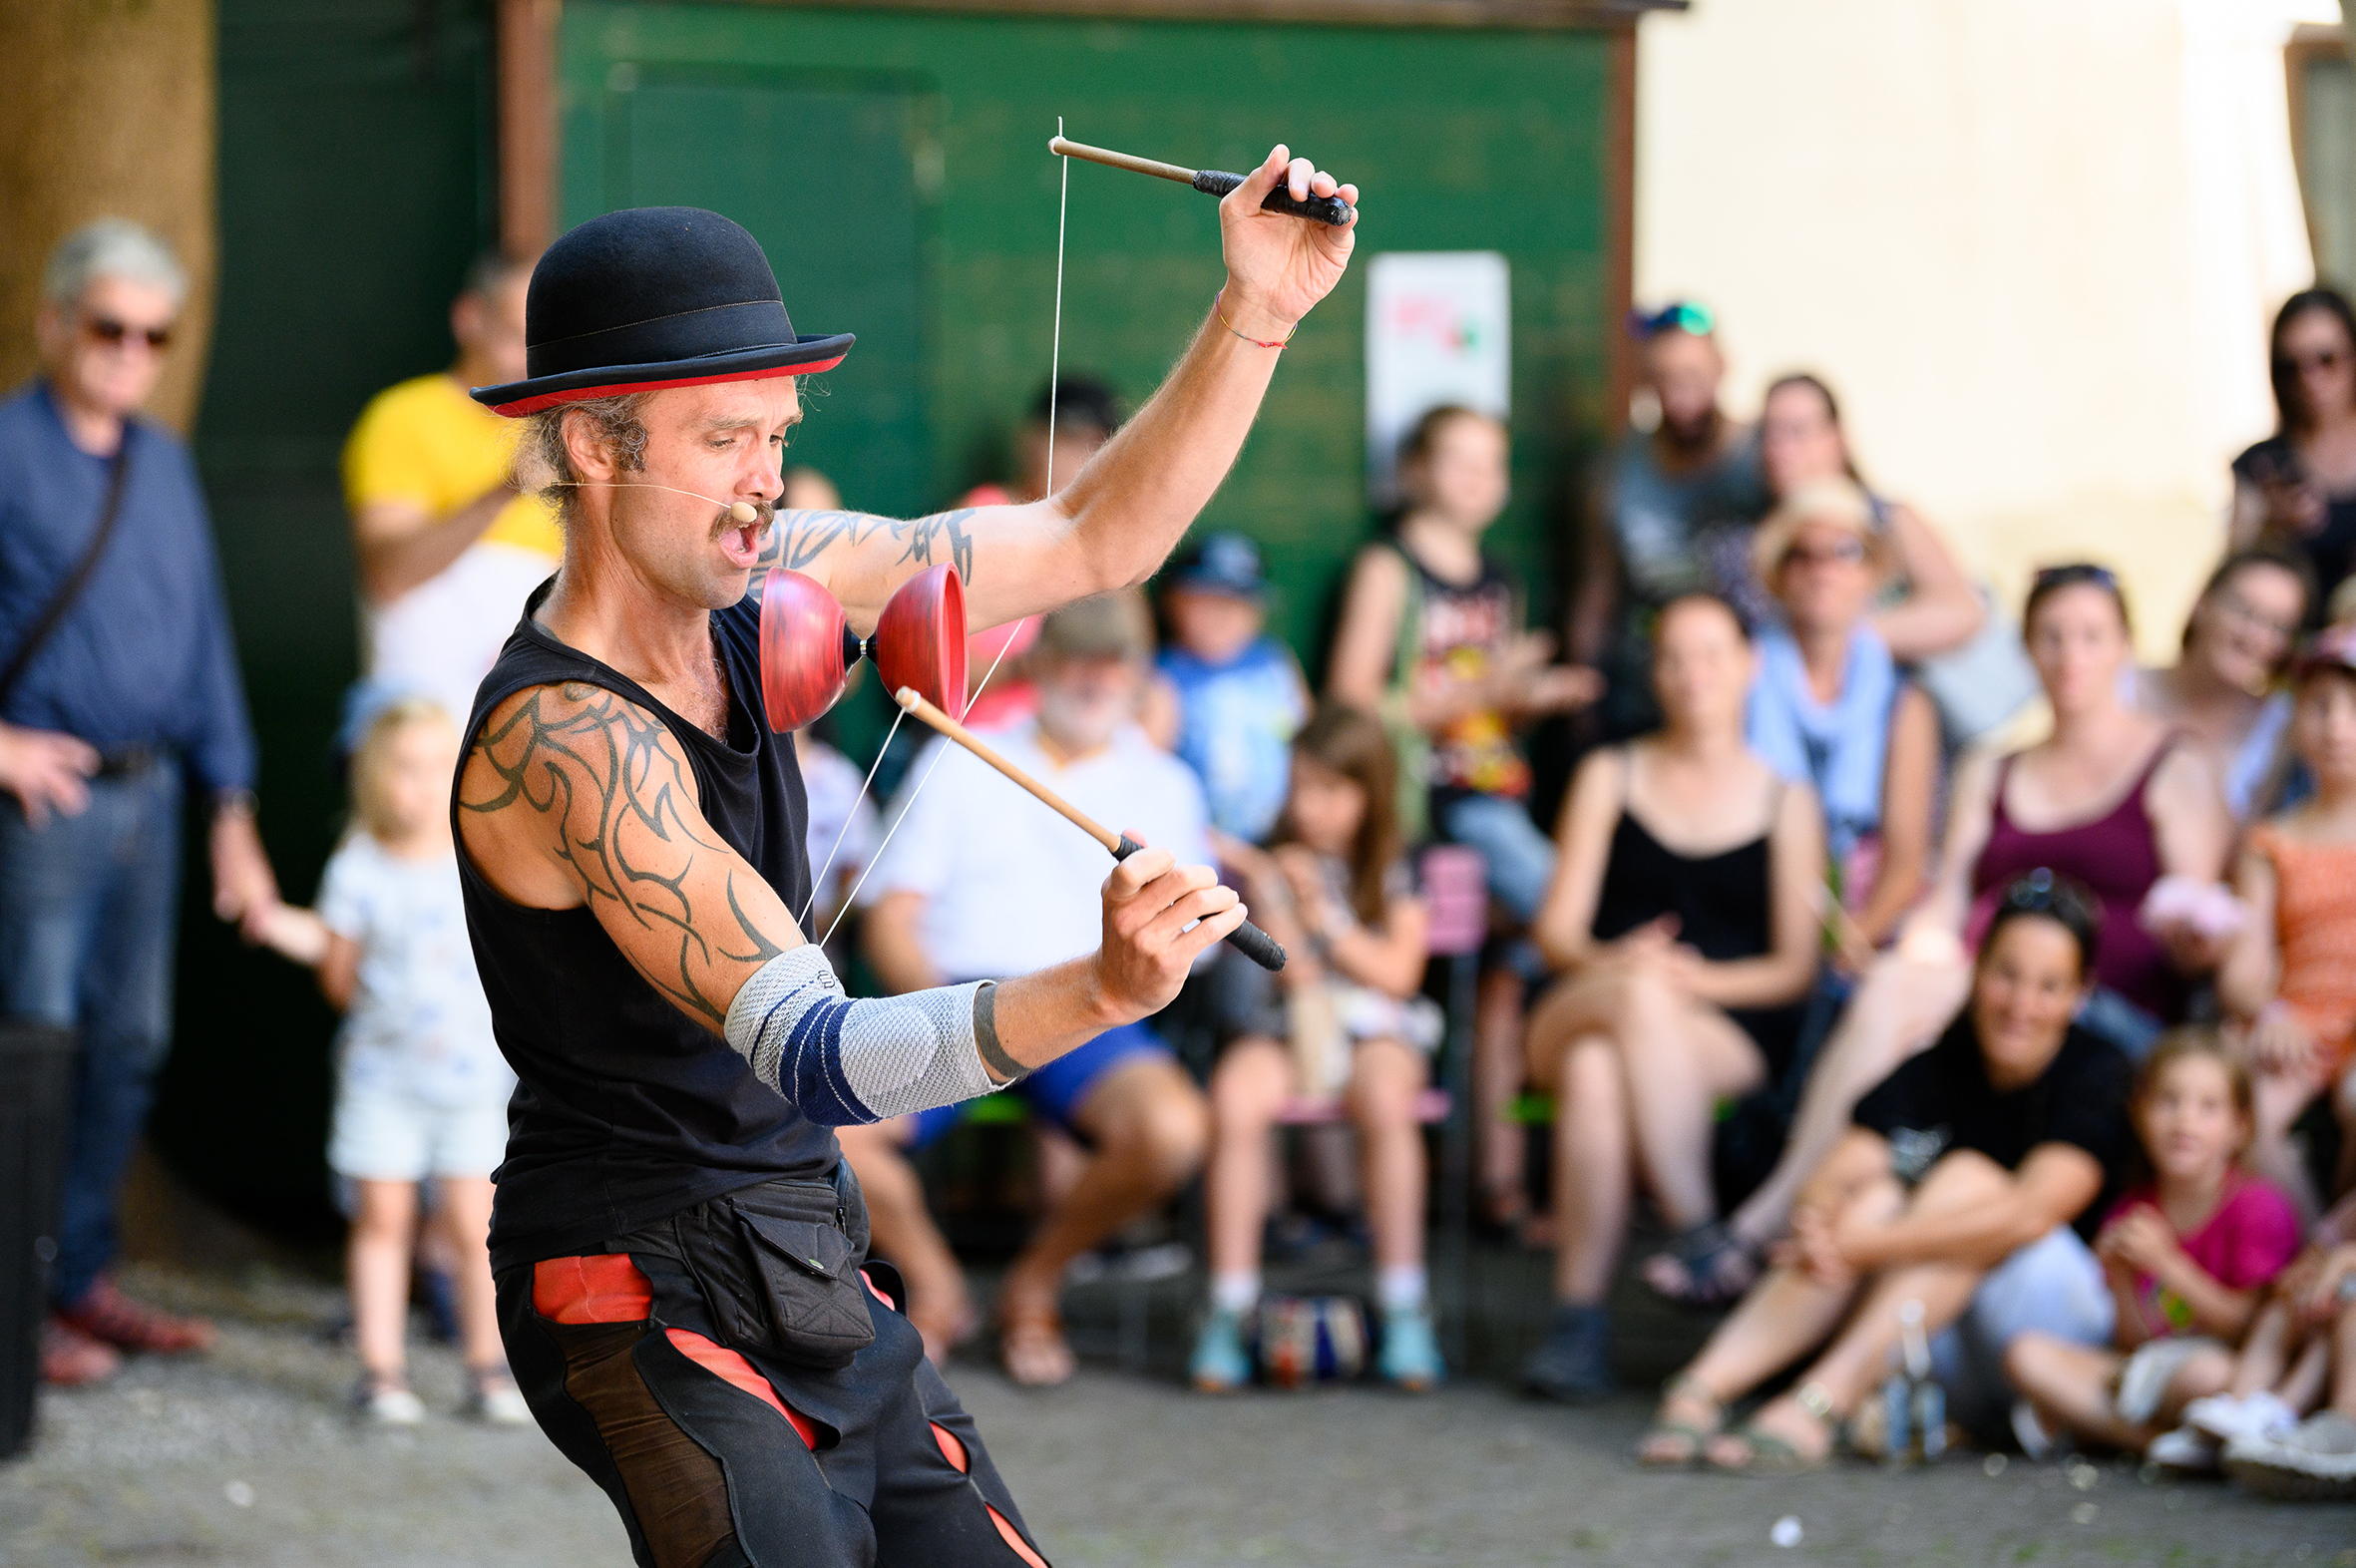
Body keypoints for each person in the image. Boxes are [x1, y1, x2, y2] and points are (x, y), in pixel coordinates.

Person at [456, 156, 1353, 1565]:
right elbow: (823, 1055)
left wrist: (1258, 314)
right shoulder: (566, 740)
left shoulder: (776, 571)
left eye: (777, 434)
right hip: (634, 1285)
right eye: (724, 441)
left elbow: (1092, 538)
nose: (765, 483)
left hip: (801, 1240)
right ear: (592, 446)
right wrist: (1103, 990)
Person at [1698, 565, 2234, 1288]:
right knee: (1895, 982)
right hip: (1990, 996)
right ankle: (1817, 1216)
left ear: (2124, 649)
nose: (2070, 656)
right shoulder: (1993, 768)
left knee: (1907, 992)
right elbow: (1948, 897)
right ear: (2027, 649)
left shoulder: (2175, 764)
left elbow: (2197, 910)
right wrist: (1912, 950)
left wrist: (2197, 943)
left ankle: (1771, 1222)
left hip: (2105, 1014)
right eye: (2051, 636)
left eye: (2090, 636)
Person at [0, 219, 281, 1387]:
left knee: (128, 1046)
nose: (130, 352)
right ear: (55, 323)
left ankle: (77, 1276)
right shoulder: (8, 450)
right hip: (45, 810)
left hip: (154, 799)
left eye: (152, 336)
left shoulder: (160, 462)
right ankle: (16, 1309)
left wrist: (233, 808)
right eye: (109, 327)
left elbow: (202, 637)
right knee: (35, 1051)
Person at [1634, 877, 2134, 1470]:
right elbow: (1841, 1169)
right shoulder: (1940, 1063)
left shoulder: (2098, 1072)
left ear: (2081, 994)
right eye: (2006, 974)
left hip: (2052, 1342)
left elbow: (2028, 1216)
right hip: (1932, 1323)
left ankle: (1822, 1400)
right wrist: (1819, 1218)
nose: (2021, 1006)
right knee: (1868, 1199)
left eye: (2049, 986)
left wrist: (1866, 1245)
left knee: (1968, 1180)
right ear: (1976, 970)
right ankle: (1704, 1386)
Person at [842, 593, 1214, 1382]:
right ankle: (936, 1288)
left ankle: (1034, 1286)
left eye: (1115, 662)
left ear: (1139, 676)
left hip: (1096, 1013)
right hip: (964, 1001)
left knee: (1173, 1129)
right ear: (1039, 665)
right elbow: (892, 920)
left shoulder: (1166, 784)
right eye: (1079, 658)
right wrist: (941, 1017)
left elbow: (1187, 945)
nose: (1096, 677)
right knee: (825, 1133)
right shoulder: (962, 757)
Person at [1516, 594, 1822, 1400]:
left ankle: (1578, 1322)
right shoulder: (1609, 775)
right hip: (1584, 998)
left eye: (1712, 654)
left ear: (1751, 665)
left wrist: (1693, 980)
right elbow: (1556, 933)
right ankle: (1698, 1232)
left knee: (1597, 1072)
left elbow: (1795, 968)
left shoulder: (1787, 801)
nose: (1694, 675)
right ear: (1654, 673)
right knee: (1627, 1005)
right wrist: (1622, 962)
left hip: (1719, 1026)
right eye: (1675, 657)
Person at [1328, 405, 1600, 1230]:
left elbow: (1487, 712)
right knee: (1567, 908)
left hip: (1497, 789)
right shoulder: (1388, 567)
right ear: (1415, 471)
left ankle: (1498, 1182)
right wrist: (1480, 691)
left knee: (1507, 980)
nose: (1480, 478)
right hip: (1431, 806)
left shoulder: (1498, 577)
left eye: (1494, 462)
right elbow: (1352, 706)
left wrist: (1529, 698)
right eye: (1459, 460)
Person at [251, 700, 528, 1425]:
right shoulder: (358, 867)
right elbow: (338, 974)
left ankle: (488, 1367)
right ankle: (381, 1370)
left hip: (471, 1084)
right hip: (382, 1084)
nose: (424, 783)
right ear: (375, 778)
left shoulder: (481, 855)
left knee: (476, 1226)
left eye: (439, 767)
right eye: (406, 768)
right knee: (382, 1219)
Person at [1188, 703, 1442, 1391]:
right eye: (1300, 786)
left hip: (1377, 1028)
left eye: (1330, 790)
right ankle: (1229, 1307)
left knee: (1386, 1096)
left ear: (1371, 792)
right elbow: (1293, 975)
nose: (1308, 807)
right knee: (1234, 1096)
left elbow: (1399, 975)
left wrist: (1324, 914)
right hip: (1287, 1027)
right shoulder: (1272, 856)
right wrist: (1273, 893)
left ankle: (1404, 1303)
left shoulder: (1397, 861)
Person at [2003, 1031, 2299, 1458]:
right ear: (2139, 1113)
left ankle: (2149, 1435)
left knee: (2208, 1377)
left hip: (2225, 1370)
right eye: (2168, 1101)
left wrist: (2169, 1265)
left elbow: (2251, 1328)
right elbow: (2136, 1346)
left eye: (2208, 1107)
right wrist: (2122, 1281)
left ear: (2240, 1127)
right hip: (2152, 1369)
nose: (2184, 1122)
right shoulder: (2131, 1209)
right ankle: (2166, 1446)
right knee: (2025, 1355)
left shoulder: (2259, 1207)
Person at [341, 251, 560, 728]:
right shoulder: (402, 417)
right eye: (515, 336)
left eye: (543, 342)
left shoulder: (560, 431)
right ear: (469, 318)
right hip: (419, 728)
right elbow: (390, 574)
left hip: (530, 722)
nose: (530, 359)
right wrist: (506, 491)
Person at [1741, 475, 1940, 952]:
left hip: (1864, 919)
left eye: (1845, 552)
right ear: (1777, 574)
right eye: (1801, 555)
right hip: (1754, 907)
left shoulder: (1903, 700)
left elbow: (1905, 857)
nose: (1822, 569)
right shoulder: (1741, 677)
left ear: (1872, 572)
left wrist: (1851, 942)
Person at [1572, 300, 1771, 737]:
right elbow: (1598, 591)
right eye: (1664, 379)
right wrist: (1583, 704)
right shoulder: (1617, 472)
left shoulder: (1764, 459)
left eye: (1693, 376)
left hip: (1748, 702)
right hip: (1642, 692)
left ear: (1722, 366)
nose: (1681, 396)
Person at [2218, 622, 2356, 1219]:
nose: (2337, 727)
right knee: (2257, 1110)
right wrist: (2271, 1012)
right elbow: (2244, 967)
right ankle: (2304, 1244)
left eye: (2352, 709)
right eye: (2320, 706)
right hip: (2297, 1029)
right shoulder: (2272, 841)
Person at [1754, 372, 1985, 663]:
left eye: (1798, 431)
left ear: (1837, 438)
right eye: (1769, 433)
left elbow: (1962, 611)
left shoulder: (1885, 518)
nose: (1780, 448)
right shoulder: (1747, 534)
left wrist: (1840, 639)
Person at [958, 376, 1123, 729]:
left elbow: (1132, 665)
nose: (1078, 457)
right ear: (1031, 439)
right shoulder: (982, 514)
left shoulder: (1110, 536)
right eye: (1066, 440)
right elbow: (933, 666)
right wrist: (1034, 663)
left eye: (1094, 444)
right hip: (986, 730)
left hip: (1078, 733)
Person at [2136, 549, 2312, 822]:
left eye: (2278, 626)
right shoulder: (2119, 687)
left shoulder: (2282, 729)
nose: (2255, 636)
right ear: (2202, 603)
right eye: (2243, 610)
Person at [1157, 531, 1310, 845]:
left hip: (1281, 838)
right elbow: (1148, 787)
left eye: (1238, 602)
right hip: (1194, 846)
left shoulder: (1274, 664)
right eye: (1208, 598)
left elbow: (1309, 746)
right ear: (1173, 600)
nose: (1223, 614)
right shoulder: (1161, 677)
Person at [2231, 287, 2356, 623]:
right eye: (2291, 366)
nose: (2310, 379)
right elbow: (2232, 583)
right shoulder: (2261, 466)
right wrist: (2269, 531)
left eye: (2326, 359)